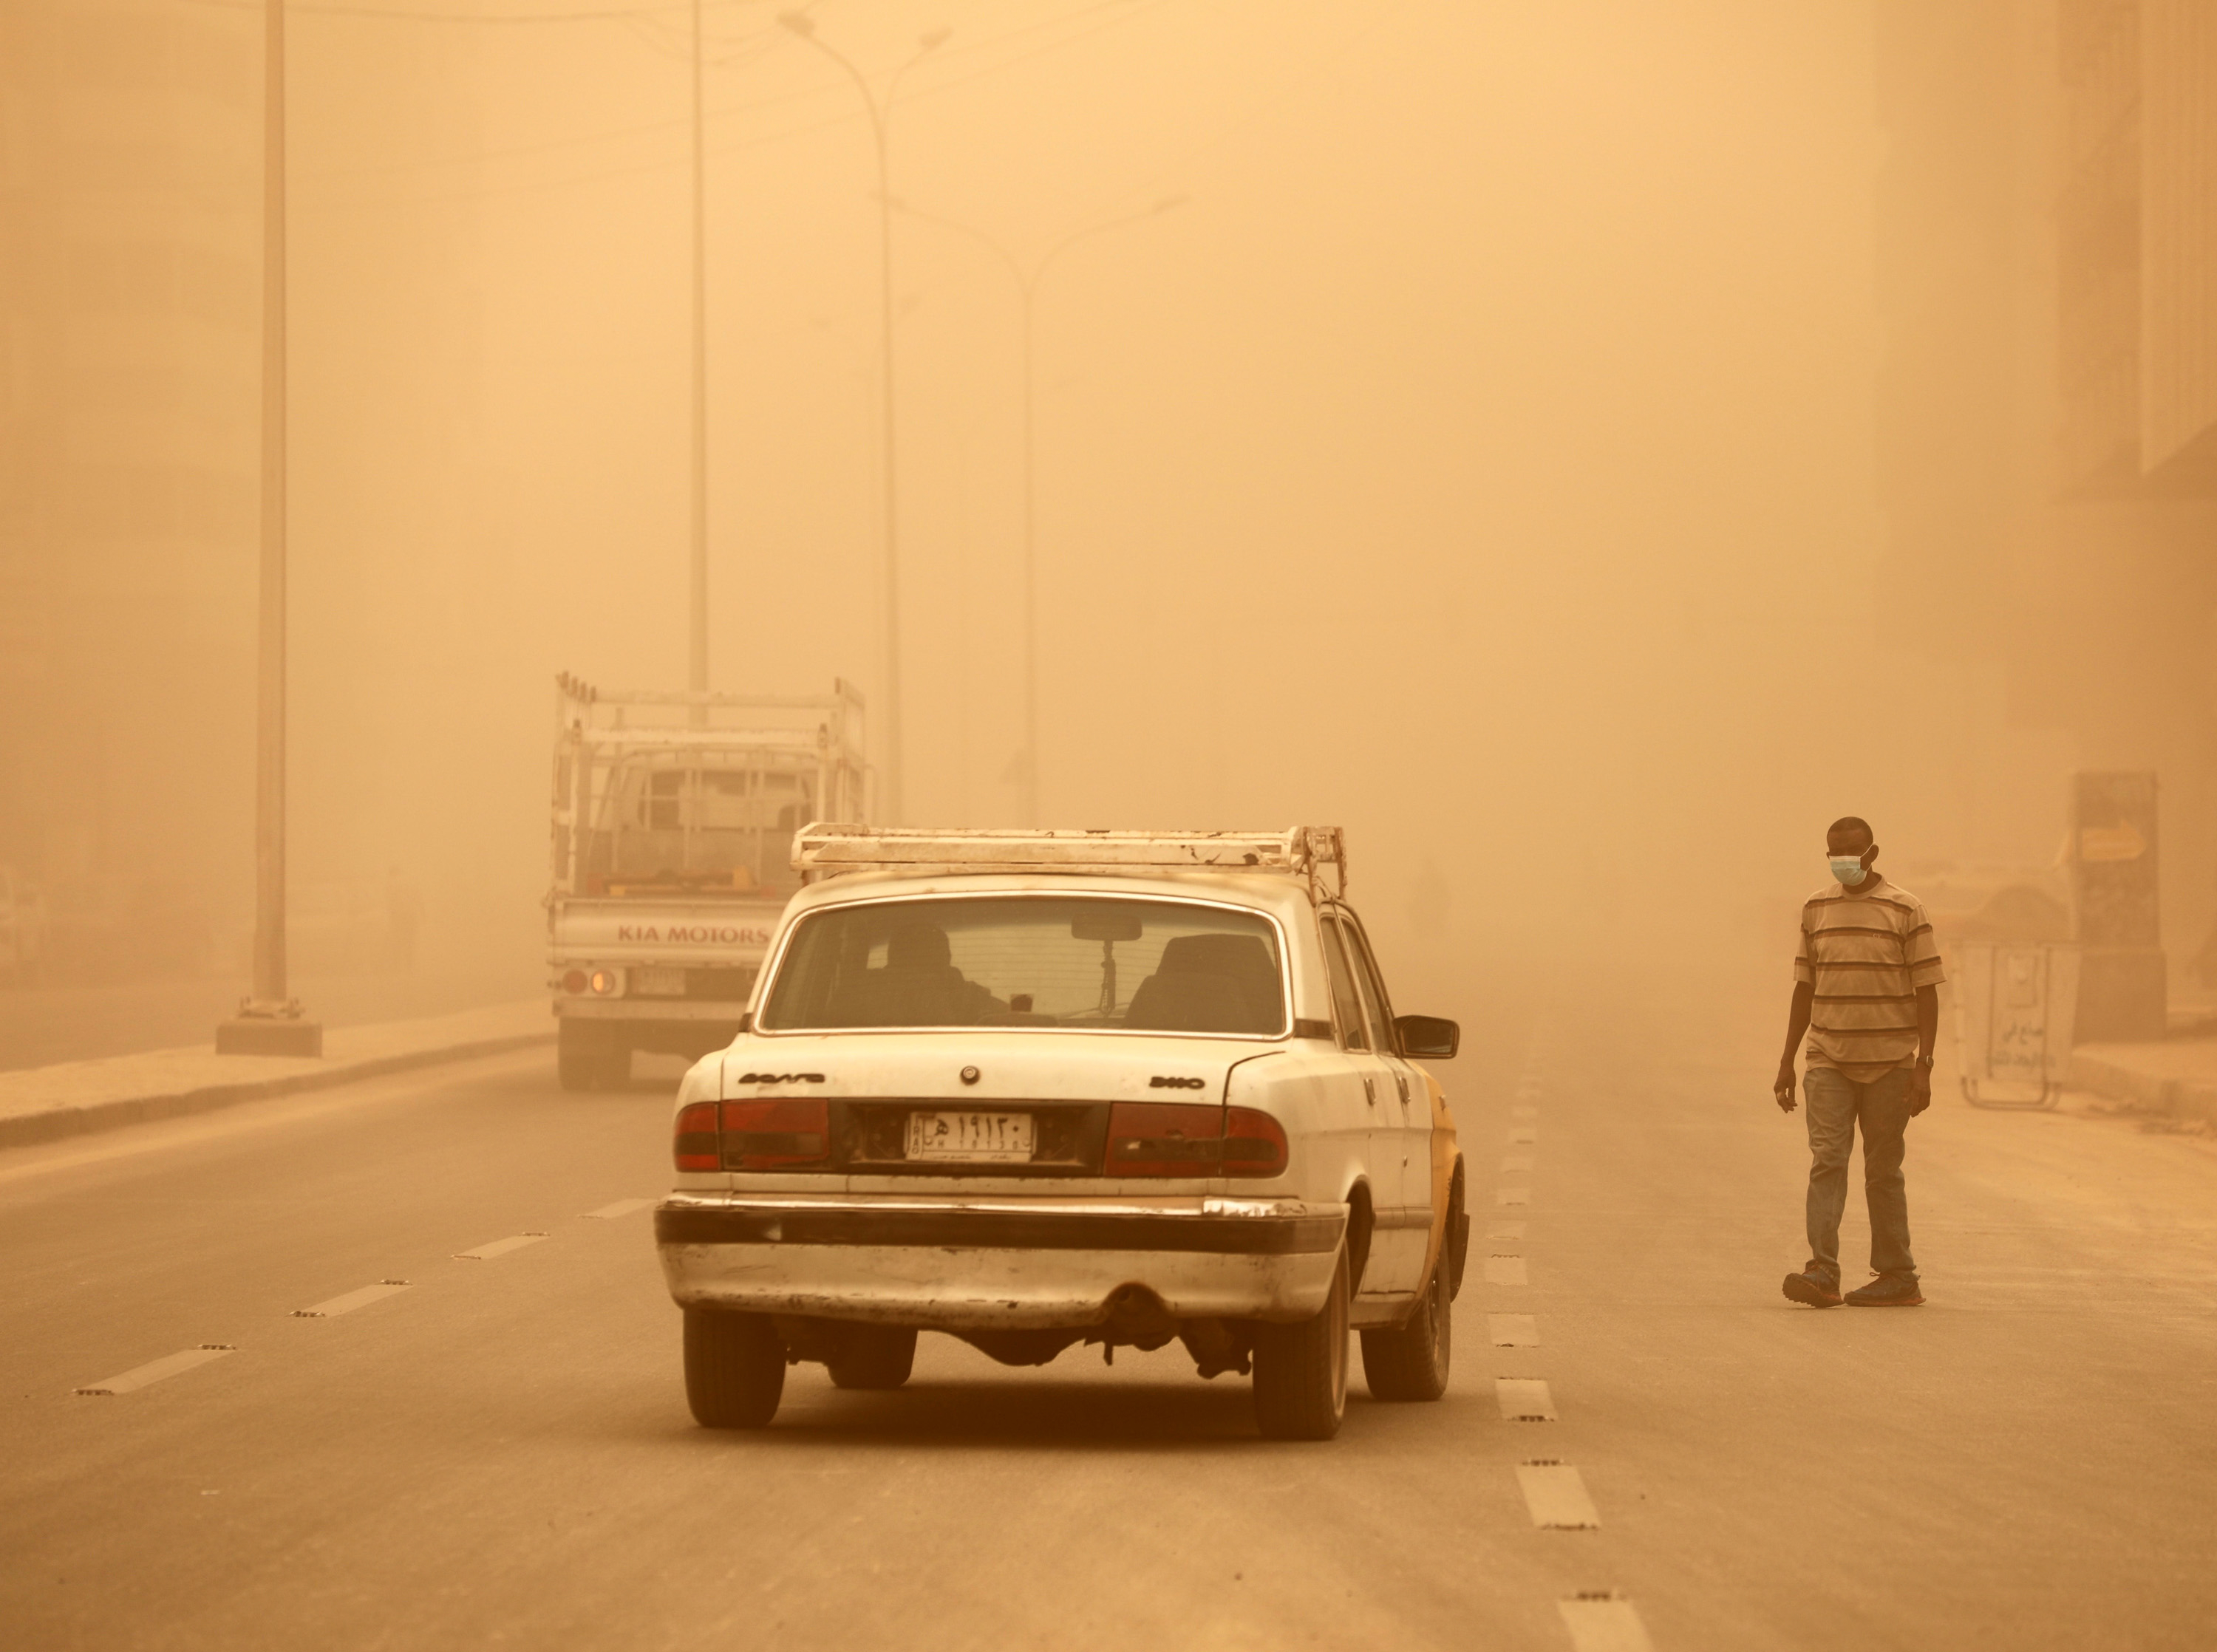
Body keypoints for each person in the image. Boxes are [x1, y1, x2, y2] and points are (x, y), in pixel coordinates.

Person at [1774, 816, 1944, 1308]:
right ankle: (1822, 1271)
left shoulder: (1906, 910)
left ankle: (1898, 1275)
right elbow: (1804, 988)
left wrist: (1924, 1066)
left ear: (1872, 854)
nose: (1842, 861)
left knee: (1882, 1170)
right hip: (1827, 1057)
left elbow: (1927, 990)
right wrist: (1787, 1061)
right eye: (1833, 853)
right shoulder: (1816, 908)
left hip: (1891, 1062)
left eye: (1851, 852)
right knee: (1827, 1161)